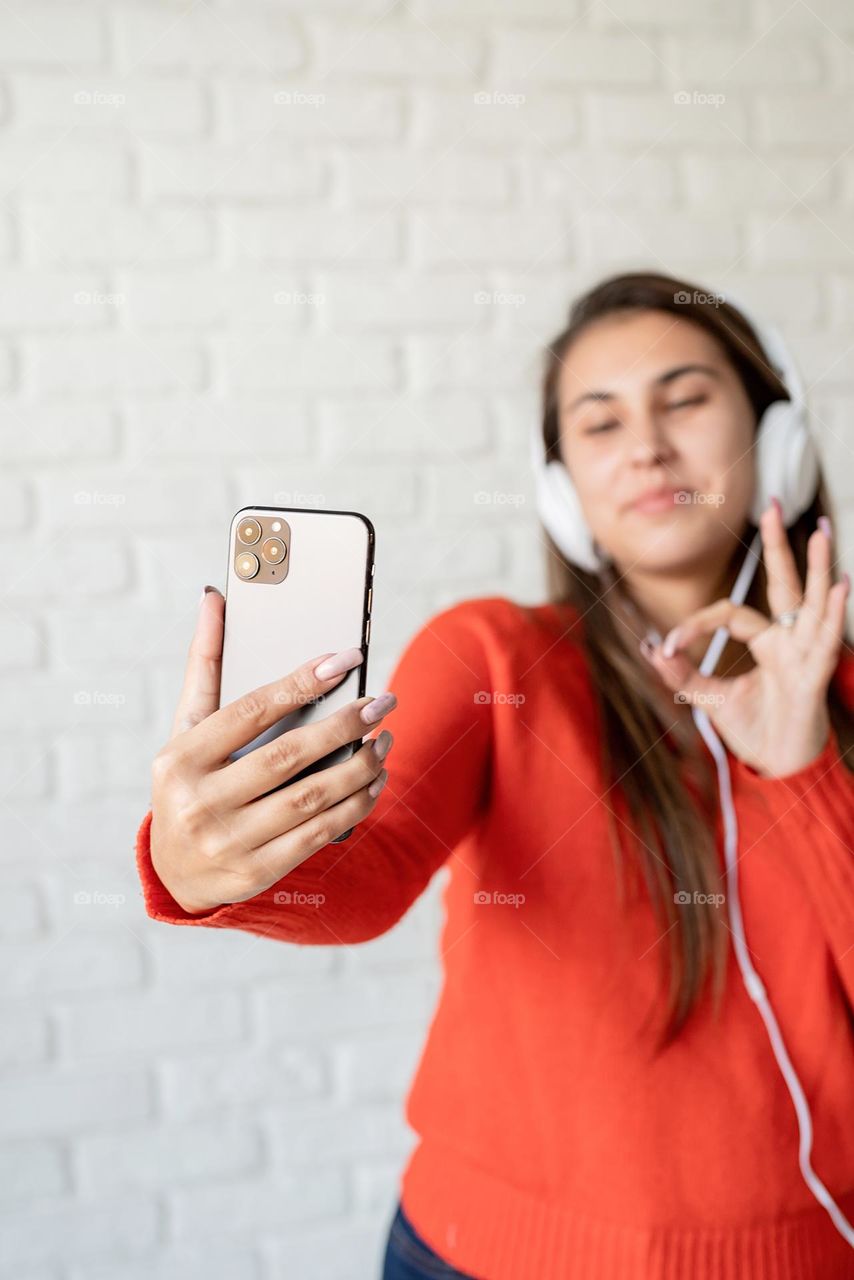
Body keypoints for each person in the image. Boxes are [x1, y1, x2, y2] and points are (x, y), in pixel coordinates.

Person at [134, 271, 854, 1280]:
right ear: (561, 489)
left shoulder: (843, 698)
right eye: (597, 423)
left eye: (683, 397)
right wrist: (212, 862)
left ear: (778, 434)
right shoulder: (493, 655)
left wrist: (805, 768)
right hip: (476, 1258)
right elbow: (366, 871)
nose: (645, 444)